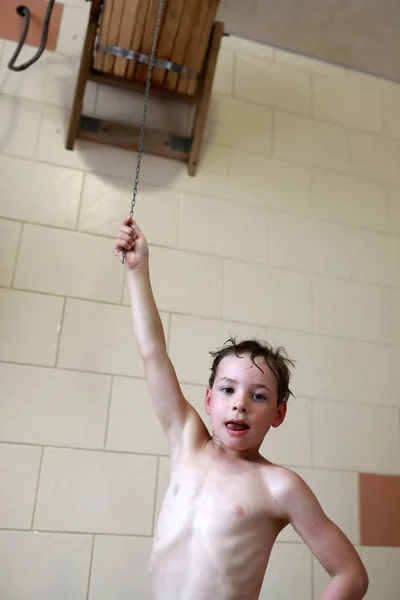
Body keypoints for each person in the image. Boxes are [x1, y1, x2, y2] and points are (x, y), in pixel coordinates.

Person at [114, 216, 369, 600]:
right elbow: (153, 353)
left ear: (279, 414)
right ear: (209, 399)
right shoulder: (187, 442)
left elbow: (351, 575)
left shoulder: (280, 486)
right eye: (228, 389)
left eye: (259, 396)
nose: (240, 405)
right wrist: (137, 270)